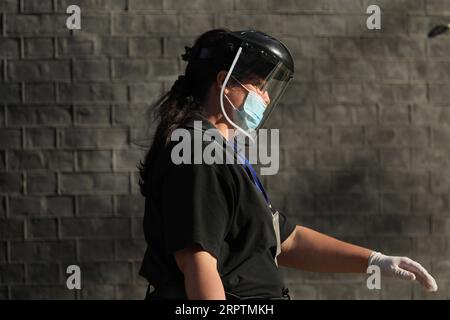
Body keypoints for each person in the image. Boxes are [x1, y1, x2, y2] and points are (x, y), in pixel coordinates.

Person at [137, 29, 438, 300]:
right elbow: (197, 263)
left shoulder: (218, 152)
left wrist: (375, 261)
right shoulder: (198, 153)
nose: (266, 98)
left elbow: (285, 239)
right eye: (258, 85)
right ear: (224, 83)